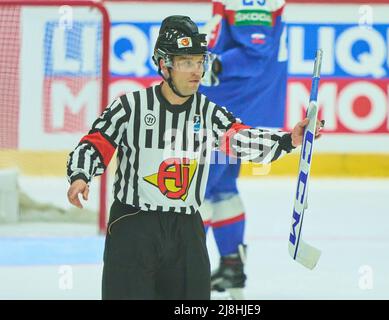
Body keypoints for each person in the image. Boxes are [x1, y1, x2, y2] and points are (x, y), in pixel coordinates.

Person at [66, 15, 322, 300]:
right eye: (187, 62)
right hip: (133, 228)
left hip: (186, 232)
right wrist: (81, 175)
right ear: (165, 65)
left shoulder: (209, 113)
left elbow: (240, 139)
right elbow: (95, 143)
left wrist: (289, 139)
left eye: (200, 62)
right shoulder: (130, 107)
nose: (197, 71)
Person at [199, 0, 288, 299]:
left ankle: (184, 269)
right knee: (220, 187)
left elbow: (256, 53)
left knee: (195, 188)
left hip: (227, 111)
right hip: (235, 107)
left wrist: (211, 65)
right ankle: (231, 267)